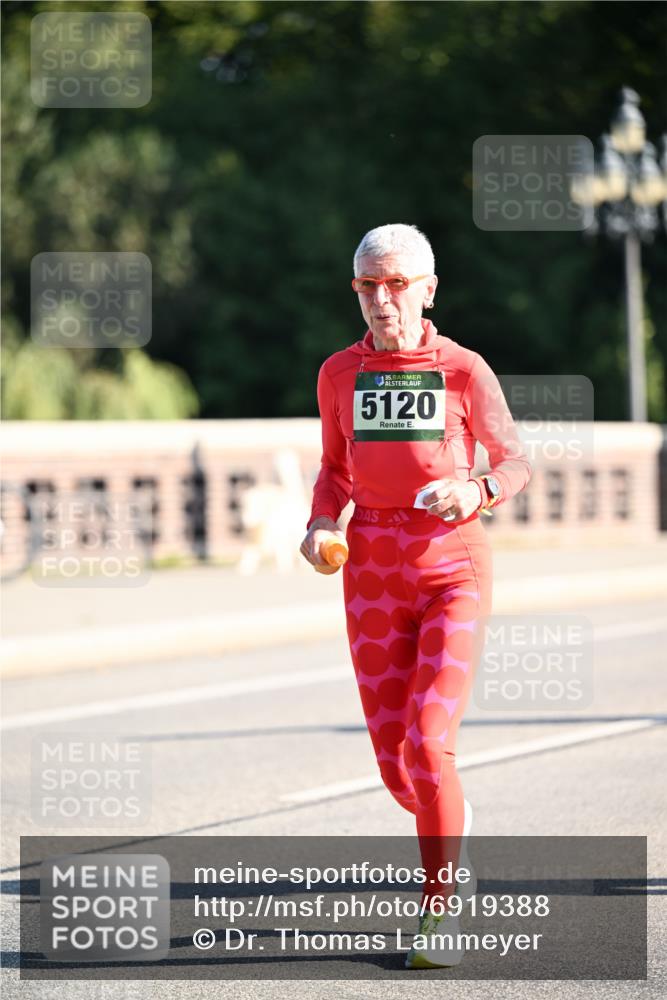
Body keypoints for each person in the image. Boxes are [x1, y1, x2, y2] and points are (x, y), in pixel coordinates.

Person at [300, 223, 531, 968]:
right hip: (369, 570)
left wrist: (475, 488)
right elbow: (335, 471)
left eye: (396, 284)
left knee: (429, 742)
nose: (381, 299)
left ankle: (441, 911)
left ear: (428, 289)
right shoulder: (337, 374)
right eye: (368, 285)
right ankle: (449, 820)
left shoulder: (463, 370)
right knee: (396, 764)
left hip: (450, 568)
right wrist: (315, 525)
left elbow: (514, 460)